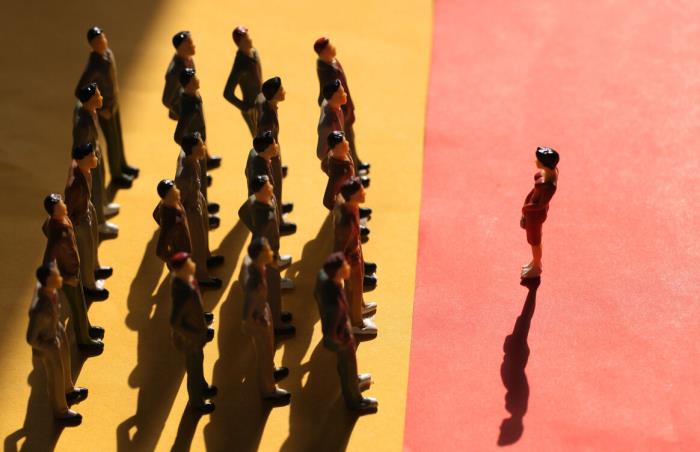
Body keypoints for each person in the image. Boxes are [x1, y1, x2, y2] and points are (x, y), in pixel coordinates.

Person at [75, 26, 138, 187]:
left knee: (118, 137)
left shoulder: (108, 54)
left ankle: (122, 165)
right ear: (92, 45)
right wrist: (98, 108)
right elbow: (80, 90)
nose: (102, 42)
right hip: (104, 108)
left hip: (113, 102)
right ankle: (117, 174)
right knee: (112, 141)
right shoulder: (94, 65)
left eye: (103, 38)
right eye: (97, 41)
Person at [42, 194, 104, 355]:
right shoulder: (58, 231)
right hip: (68, 274)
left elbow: (44, 227)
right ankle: (84, 340)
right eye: (61, 205)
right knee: (77, 308)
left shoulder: (62, 220)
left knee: (81, 304)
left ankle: (87, 329)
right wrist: (65, 278)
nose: (65, 205)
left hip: (75, 270)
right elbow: (48, 259)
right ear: (55, 211)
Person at [27, 263, 89, 425]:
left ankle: (69, 390)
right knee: (56, 375)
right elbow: (31, 339)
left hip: (57, 331)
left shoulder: (50, 290)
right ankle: (60, 411)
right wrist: (49, 346)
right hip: (48, 343)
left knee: (66, 364)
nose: (59, 277)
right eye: (56, 276)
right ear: (48, 281)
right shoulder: (39, 309)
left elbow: (60, 284)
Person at [315, 253, 377, 412]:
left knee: (348, 365)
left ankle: (353, 381)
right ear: (337, 272)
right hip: (342, 337)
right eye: (345, 267)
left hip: (343, 332)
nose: (348, 268)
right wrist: (340, 340)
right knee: (347, 365)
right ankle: (355, 401)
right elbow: (331, 327)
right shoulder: (333, 302)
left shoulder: (327, 282)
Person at [238, 176, 295, 336]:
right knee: (273, 289)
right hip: (267, 256)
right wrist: (267, 255)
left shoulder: (260, 201)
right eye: (267, 186)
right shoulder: (263, 215)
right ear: (260, 191)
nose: (271, 186)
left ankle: (277, 315)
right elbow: (246, 218)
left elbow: (242, 212)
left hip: (268, 253)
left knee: (273, 287)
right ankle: (276, 324)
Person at [241, 238, 291, 405]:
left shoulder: (259, 266)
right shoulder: (253, 281)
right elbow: (246, 313)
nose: (270, 252)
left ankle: (271, 371)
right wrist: (254, 325)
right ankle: (268, 390)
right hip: (257, 319)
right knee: (263, 354)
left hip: (263, 311)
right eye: (267, 251)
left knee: (269, 349)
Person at [169, 252, 217, 413]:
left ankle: (201, 386)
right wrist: (193, 335)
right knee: (193, 368)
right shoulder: (182, 291)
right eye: (188, 263)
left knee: (198, 361)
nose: (192, 264)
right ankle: (196, 401)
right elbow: (175, 322)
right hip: (189, 339)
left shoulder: (187, 281)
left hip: (196, 334)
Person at [314, 37, 370, 174]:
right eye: (329, 48)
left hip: (345, 106)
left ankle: (356, 162)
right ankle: (354, 171)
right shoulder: (326, 70)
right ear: (322, 53)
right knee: (345, 142)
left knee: (351, 137)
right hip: (340, 109)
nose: (333, 48)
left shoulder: (333, 62)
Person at [175, 133, 224, 288]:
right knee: (197, 242)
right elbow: (180, 199)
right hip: (191, 210)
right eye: (201, 145)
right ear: (192, 150)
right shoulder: (184, 175)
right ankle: (201, 275)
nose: (204, 147)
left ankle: (206, 257)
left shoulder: (195, 161)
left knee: (203, 235)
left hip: (198, 200)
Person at [65, 143, 111, 302]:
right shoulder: (74, 184)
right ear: (80, 160)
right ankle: (89, 285)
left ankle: (95, 268)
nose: (95, 157)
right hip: (79, 218)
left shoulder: (86, 171)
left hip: (87, 206)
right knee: (85, 250)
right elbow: (69, 207)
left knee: (93, 241)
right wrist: (74, 225)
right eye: (91, 156)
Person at [73, 82, 119, 237]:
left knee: (102, 179)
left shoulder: (91, 111)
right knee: (96, 188)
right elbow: (78, 147)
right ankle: (99, 222)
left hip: (96, 151)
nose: (101, 97)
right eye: (98, 96)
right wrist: (87, 163)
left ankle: (103, 206)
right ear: (90, 101)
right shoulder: (83, 124)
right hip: (89, 157)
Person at [334, 178, 378, 336]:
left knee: (357, 287)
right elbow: (340, 246)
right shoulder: (346, 220)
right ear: (352, 196)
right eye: (360, 191)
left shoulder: (352, 209)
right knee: (353, 288)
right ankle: (356, 323)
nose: (364, 193)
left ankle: (359, 308)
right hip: (350, 259)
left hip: (355, 255)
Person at [255, 77, 295, 234]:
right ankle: (279, 222)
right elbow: (265, 141)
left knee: (278, 183)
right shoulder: (267, 118)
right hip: (272, 156)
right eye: (281, 90)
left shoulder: (268, 106)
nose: (284, 91)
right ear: (274, 94)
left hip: (274, 152)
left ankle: (278, 206)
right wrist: (271, 159)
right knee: (275, 184)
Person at [520, 147, 559, 279]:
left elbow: (540, 205)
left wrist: (525, 209)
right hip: (531, 212)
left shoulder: (549, 185)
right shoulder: (547, 174)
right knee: (533, 241)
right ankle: (535, 262)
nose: (535, 161)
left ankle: (537, 266)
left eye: (538, 160)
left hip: (535, 215)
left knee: (535, 242)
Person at [223, 26, 262, 137]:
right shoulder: (240, 64)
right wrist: (245, 107)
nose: (250, 40)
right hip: (252, 108)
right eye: (245, 39)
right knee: (260, 139)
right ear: (239, 43)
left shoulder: (254, 53)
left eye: (248, 37)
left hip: (262, 103)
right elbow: (227, 93)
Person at [162, 30, 195, 121]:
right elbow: (166, 100)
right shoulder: (175, 72)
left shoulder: (189, 60)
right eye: (189, 44)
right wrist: (182, 114)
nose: (193, 46)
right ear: (181, 48)